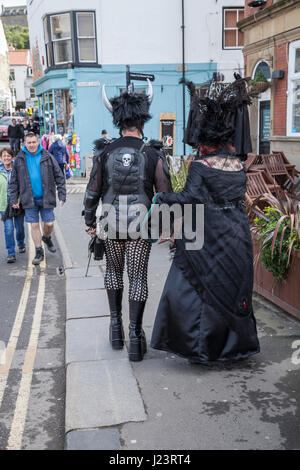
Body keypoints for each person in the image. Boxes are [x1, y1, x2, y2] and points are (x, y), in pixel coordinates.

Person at [150, 77, 260, 364]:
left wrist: (161, 199)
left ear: (204, 141)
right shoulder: (238, 165)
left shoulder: (201, 166)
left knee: (191, 289)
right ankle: (233, 349)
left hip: (207, 234)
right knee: (232, 285)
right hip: (236, 233)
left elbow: (189, 200)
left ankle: (203, 349)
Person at [84, 81, 171, 362]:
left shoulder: (105, 152)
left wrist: (89, 220)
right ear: (142, 119)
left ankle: (115, 328)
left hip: (110, 220)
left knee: (113, 271)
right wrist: (167, 226)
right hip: (140, 222)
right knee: (137, 277)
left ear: (118, 120)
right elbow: (165, 193)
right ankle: (135, 336)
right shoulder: (152, 152)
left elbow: (92, 189)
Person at [10, 132, 66, 265]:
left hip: (47, 197)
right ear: (24, 144)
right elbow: (13, 182)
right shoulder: (19, 159)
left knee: (49, 224)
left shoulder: (47, 156)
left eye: (34, 142)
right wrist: (13, 199)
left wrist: (62, 194)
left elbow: (59, 176)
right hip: (29, 199)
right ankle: (39, 250)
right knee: (34, 225)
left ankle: (46, 237)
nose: (32, 145)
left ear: (38, 142)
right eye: (29, 143)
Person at [0, 148, 25, 263]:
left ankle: (21, 243)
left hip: (18, 204)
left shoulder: (18, 169)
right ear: (1, 158)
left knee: (19, 228)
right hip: (4, 205)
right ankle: (11, 253)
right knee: (8, 229)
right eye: (4, 156)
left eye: (8, 156)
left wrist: (18, 201)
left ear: (12, 157)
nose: (6, 158)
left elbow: (22, 187)